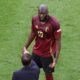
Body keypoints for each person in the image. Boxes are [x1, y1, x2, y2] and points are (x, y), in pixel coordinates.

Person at [23, 4, 61, 80]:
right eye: (40, 13)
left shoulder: (54, 23)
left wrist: (55, 59)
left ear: (47, 13)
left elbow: (58, 41)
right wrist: (25, 46)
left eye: (43, 14)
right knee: (31, 71)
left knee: (48, 73)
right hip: (36, 51)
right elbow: (33, 33)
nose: (41, 15)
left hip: (48, 54)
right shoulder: (34, 19)